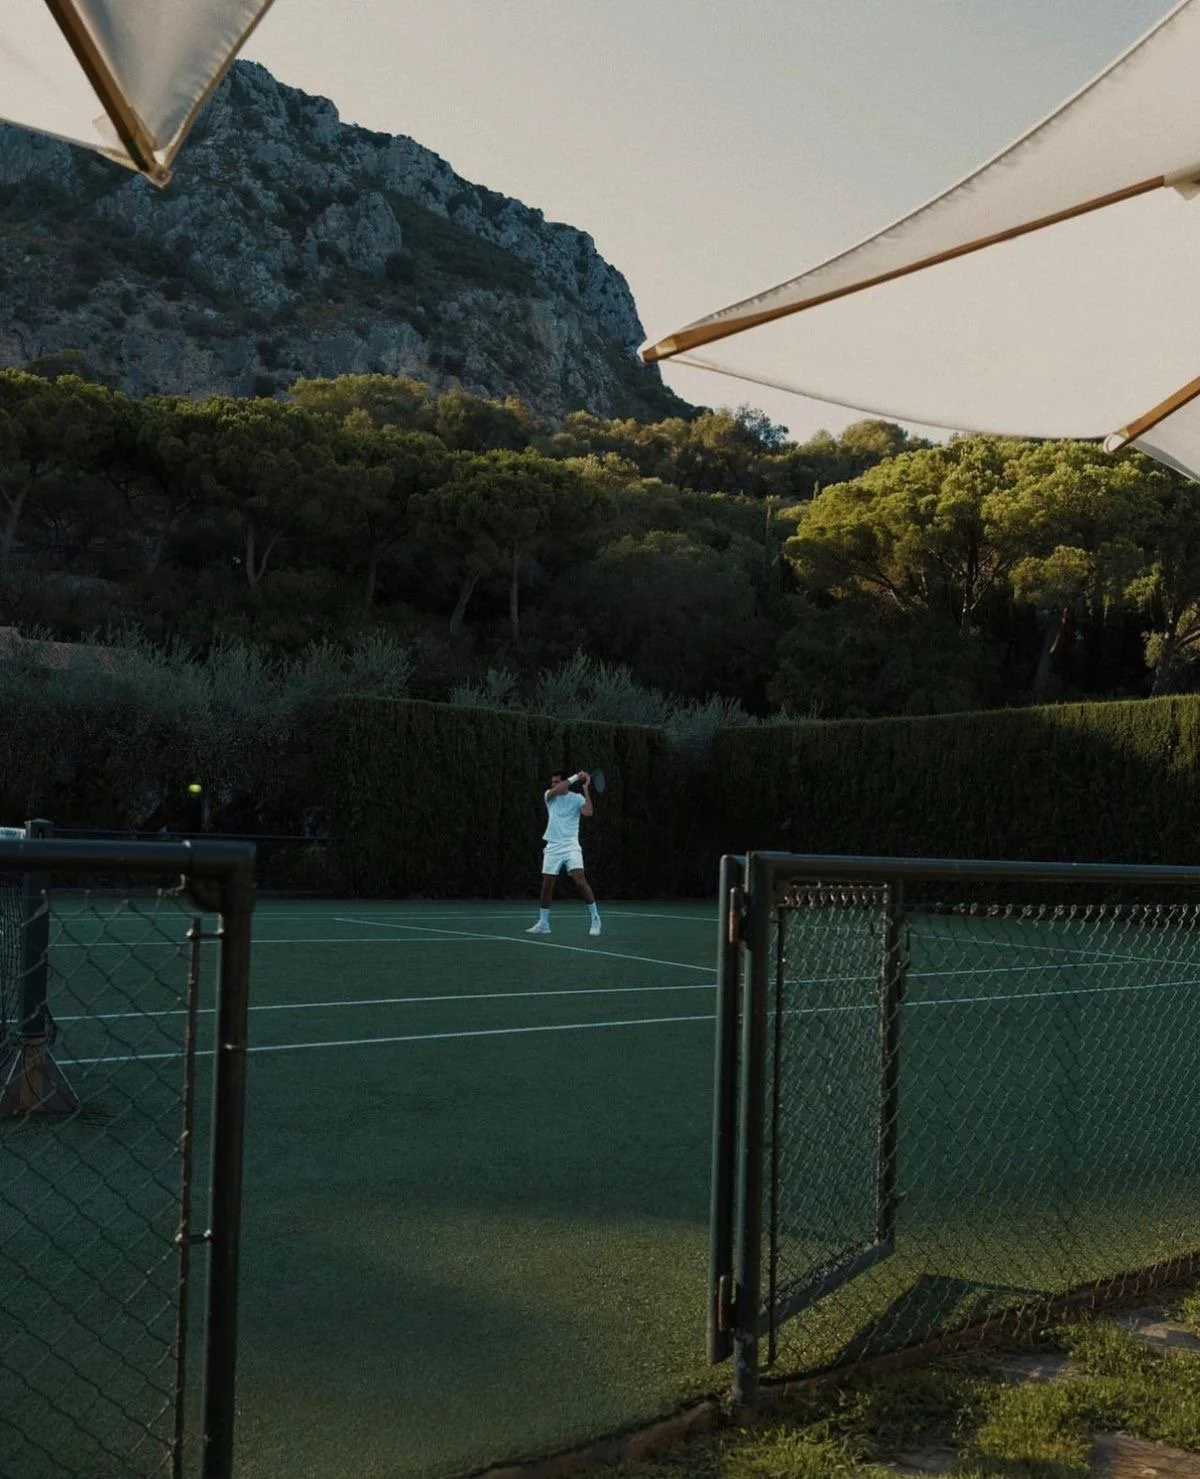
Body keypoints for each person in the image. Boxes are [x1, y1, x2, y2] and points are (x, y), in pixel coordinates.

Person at [526, 769, 602, 936]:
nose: (553, 785)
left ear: (564, 782)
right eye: (552, 782)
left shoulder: (576, 799)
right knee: (547, 885)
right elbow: (558, 789)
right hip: (553, 846)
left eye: (556, 782)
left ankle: (595, 918)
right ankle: (544, 923)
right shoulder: (549, 796)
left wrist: (586, 789)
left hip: (571, 846)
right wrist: (576, 777)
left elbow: (588, 812)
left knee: (580, 881)